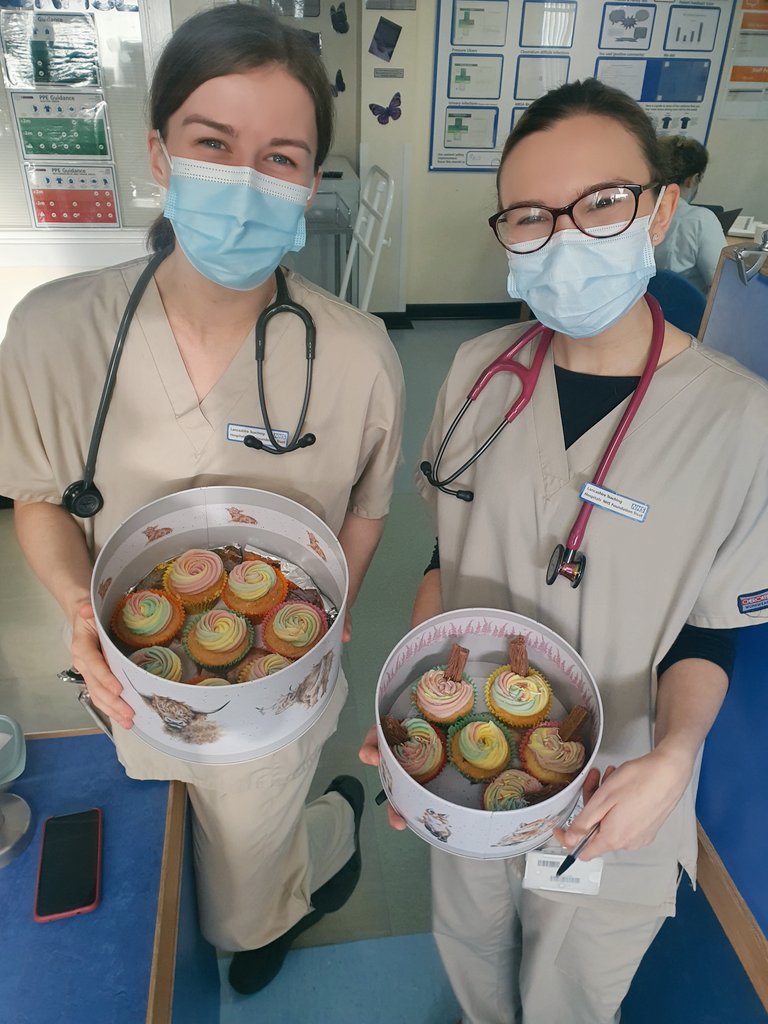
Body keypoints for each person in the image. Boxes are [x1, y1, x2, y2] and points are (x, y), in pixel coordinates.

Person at [0, 5, 404, 996]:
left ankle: (310, 858)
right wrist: (76, 613)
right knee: (162, 834)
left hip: (282, 687)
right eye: (213, 145)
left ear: (311, 181)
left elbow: (367, 507)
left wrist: (330, 612)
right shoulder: (55, 332)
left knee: (237, 896)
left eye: (281, 156)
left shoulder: (355, 354)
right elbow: (42, 499)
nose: (244, 181)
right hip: (133, 670)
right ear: (159, 151)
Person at [361, 78, 768, 1023]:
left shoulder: (738, 420)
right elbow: (443, 554)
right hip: (463, 750)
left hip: (616, 776)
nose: (566, 236)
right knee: (468, 936)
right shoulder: (475, 374)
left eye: (602, 203)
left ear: (660, 207)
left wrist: (673, 756)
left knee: (570, 985)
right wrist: (410, 705)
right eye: (532, 216)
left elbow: (712, 631)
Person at [655, 135, 727, 291]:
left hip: (641, 309)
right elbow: (721, 282)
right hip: (688, 312)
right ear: (693, 179)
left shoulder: (637, 209)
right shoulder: (700, 219)